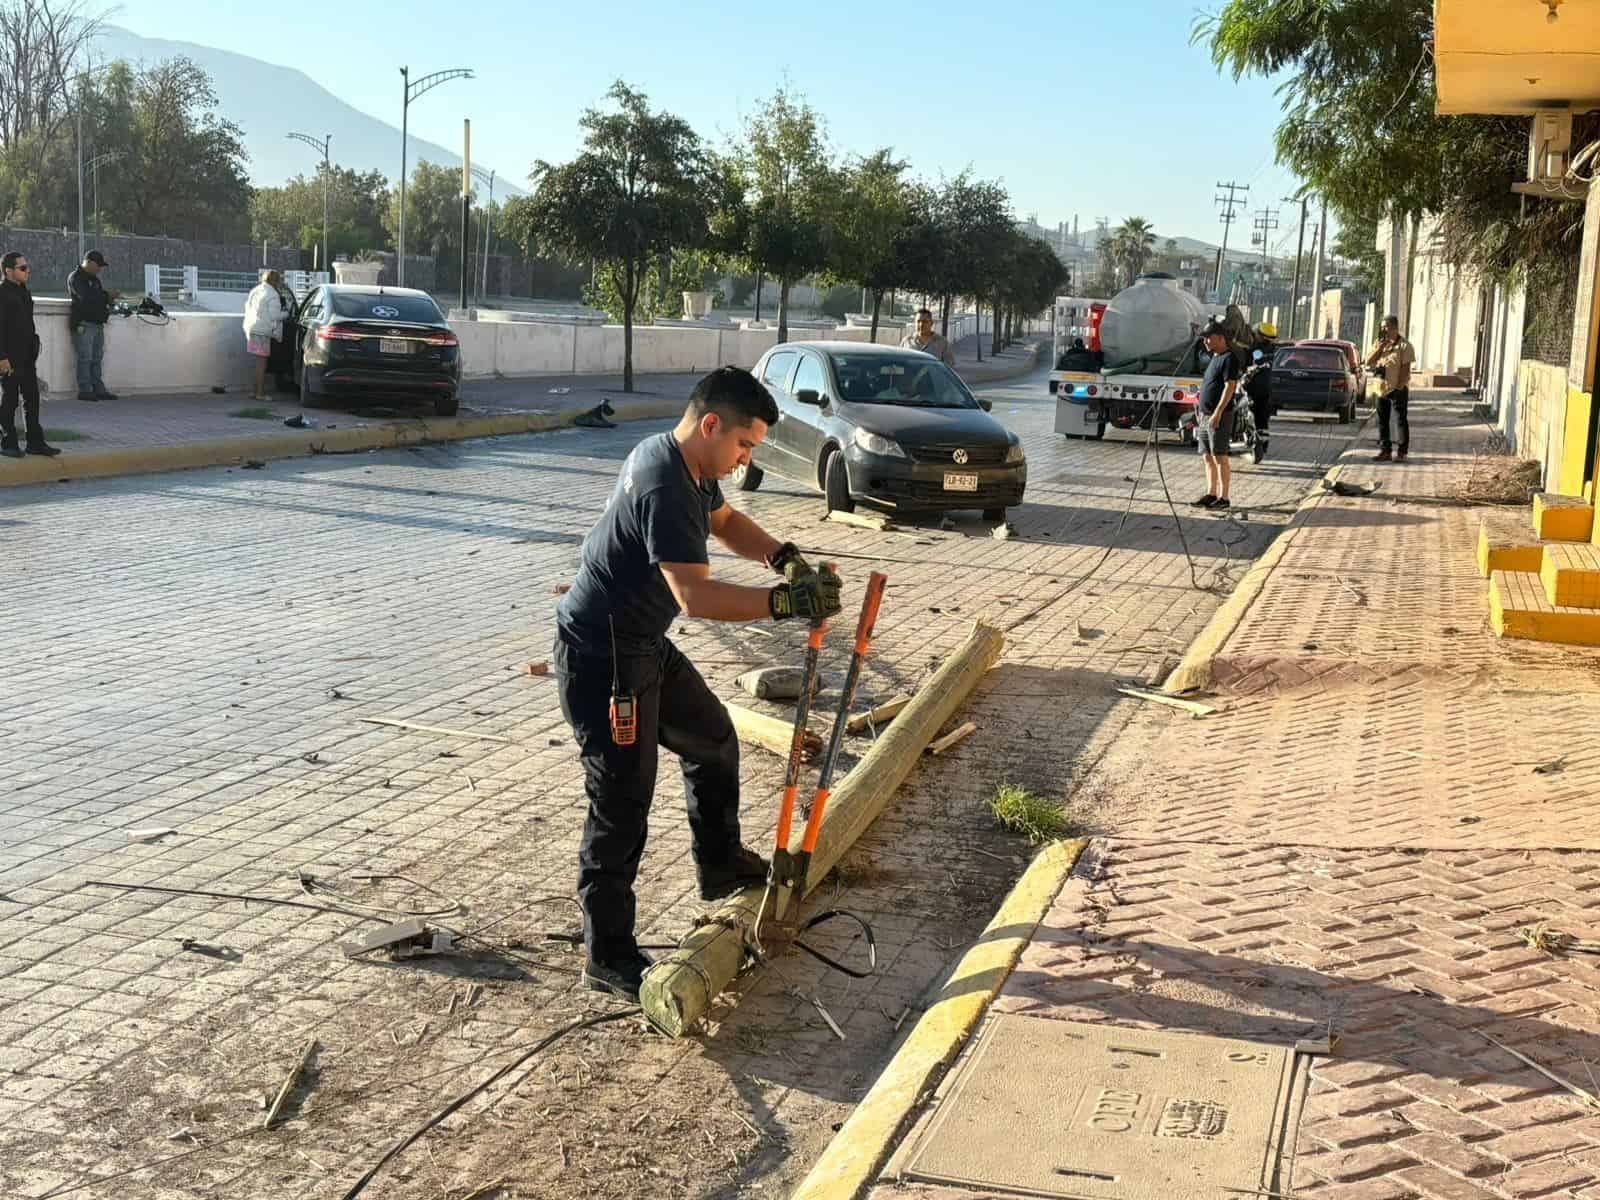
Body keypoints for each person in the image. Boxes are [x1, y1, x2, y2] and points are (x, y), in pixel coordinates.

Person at [553, 366, 844, 1001]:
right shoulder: (664, 483)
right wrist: (782, 606)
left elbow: (728, 521)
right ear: (711, 425)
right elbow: (694, 596)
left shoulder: (686, 464)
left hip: (639, 645)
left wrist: (784, 557)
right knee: (622, 800)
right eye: (744, 446)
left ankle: (720, 866)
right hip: (603, 660)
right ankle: (607, 954)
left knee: (713, 740)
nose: (744, 460)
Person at [0, 252, 58, 458]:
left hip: (26, 355)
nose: (27, 271)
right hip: (9, 357)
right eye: (22, 268)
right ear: (8, 270)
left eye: (27, 267)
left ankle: (35, 442)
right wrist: (2, 357)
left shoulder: (23, 291)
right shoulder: (2, 293)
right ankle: (8, 443)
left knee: (32, 398)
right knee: (10, 400)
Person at [1191, 318, 1239, 511]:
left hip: (1218, 416)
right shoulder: (1214, 358)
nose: (1205, 342)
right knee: (1207, 456)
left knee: (1220, 456)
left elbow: (1230, 386)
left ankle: (1224, 497)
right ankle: (1211, 493)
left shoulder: (1229, 358)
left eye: (1208, 338)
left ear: (1219, 338)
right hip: (1204, 415)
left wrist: (1218, 412)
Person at [67, 249, 119, 401]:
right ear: (88, 262)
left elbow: (98, 297)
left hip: (97, 324)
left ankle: (98, 388)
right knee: (85, 357)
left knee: (96, 358)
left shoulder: (95, 280)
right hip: (84, 324)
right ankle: (85, 390)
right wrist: (106, 295)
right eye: (98, 265)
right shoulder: (76, 277)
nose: (99, 269)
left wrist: (108, 300)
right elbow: (86, 297)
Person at [1366, 314, 1415, 461]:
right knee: (1382, 420)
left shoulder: (1405, 345)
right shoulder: (1379, 343)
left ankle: (1401, 452)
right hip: (1380, 387)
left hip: (1397, 388)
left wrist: (1399, 387)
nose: (1383, 330)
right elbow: (1368, 361)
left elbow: (1405, 370)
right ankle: (1385, 451)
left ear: (1394, 327)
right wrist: (1380, 347)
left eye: (1386, 327)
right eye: (1382, 327)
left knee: (1400, 420)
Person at [242, 270, 287, 402]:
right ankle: (260, 394)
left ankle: (254, 391)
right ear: (276, 281)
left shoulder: (256, 290)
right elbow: (275, 316)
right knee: (262, 363)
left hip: (251, 328)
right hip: (262, 331)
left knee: (257, 362)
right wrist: (287, 314)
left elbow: (247, 307)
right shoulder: (273, 294)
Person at [1244, 322, 1279, 463]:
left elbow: (1246, 365)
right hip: (1268, 390)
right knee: (1263, 420)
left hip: (1252, 390)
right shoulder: (1274, 350)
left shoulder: (1254, 350)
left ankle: (1253, 444)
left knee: (1250, 416)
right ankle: (1263, 446)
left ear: (1259, 335)